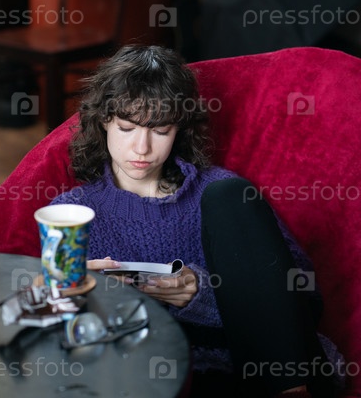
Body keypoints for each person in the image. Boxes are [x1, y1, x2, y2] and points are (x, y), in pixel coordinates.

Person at [50, 44, 341, 398]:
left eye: (160, 131)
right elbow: (54, 331)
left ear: (179, 130)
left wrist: (203, 294)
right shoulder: (71, 213)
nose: (141, 148)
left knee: (228, 196)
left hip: (259, 368)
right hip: (150, 376)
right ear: (103, 121)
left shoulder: (222, 194)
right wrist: (78, 293)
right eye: (127, 128)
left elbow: (305, 300)